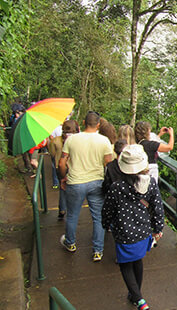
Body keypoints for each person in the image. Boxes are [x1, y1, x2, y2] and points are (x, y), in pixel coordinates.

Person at [102, 144, 164, 310]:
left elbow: (107, 209)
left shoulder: (117, 187)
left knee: (125, 264)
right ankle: (135, 294)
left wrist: (105, 223)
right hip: (144, 231)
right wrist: (158, 228)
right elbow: (158, 207)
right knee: (137, 260)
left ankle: (139, 299)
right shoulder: (150, 183)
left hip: (123, 232)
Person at [58, 111, 113, 262]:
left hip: (75, 182)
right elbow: (108, 162)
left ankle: (70, 243)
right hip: (96, 181)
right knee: (98, 217)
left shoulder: (72, 140)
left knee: (72, 215)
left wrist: (63, 177)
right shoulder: (104, 141)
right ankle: (97, 251)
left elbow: (62, 162)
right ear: (98, 125)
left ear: (83, 123)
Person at [48, 120, 80, 220]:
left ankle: (62, 209)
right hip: (74, 166)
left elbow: (52, 154)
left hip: (60, 167)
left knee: (62, 188)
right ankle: (73, 209)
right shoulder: (78, 139)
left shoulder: (56, 140)